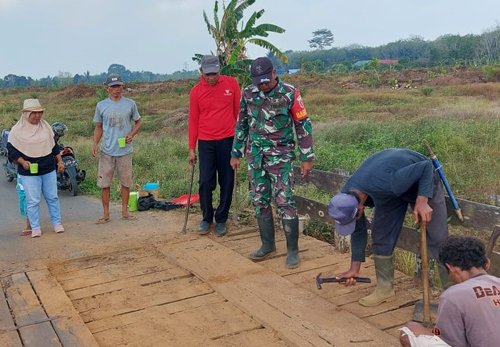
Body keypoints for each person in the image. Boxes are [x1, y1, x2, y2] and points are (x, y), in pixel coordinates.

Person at [327, 148, 449, 306]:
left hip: (422, 179)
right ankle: (385, 288)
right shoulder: (346, 198)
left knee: (439, 239)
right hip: (390, 190)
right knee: (381, 236)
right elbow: (358, 228)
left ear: (361, 209)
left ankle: (452, 294)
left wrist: (422, 200)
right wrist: (354, 269)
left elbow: (426, 166)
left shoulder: (389, 182)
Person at [230, 57, 314, 269]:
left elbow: (302, 125)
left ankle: (292, 251)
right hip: (256, 157)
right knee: (259, 199)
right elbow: (242, 124)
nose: (263, 85)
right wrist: (236, 153)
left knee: (285, 201)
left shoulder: (289, 92)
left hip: (281, 157)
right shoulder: (248, 93)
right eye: (259, 82)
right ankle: (267, 245)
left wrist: (306, 157)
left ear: (275, 73)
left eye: (266, 81)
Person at [400, 236, 500, 347]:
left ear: (450, 267)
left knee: (409, 329)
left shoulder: (453, 296)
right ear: (487, 263)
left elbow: (449, 343)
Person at [188, 55, 241, 236]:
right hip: (206, 142)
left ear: (220, 70)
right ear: (201, 71)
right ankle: (206, 217)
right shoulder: (195, 92)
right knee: (205, 181)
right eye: (208, 74)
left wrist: (239, 146)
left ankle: (221, 219)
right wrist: (191, 148)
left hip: (228, 140)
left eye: (215, 73)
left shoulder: (232, 84)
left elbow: (239, 115)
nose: (212, 77)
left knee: (227, 181)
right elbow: (193, 120)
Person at [7, 99, 65, 238]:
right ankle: (35, 227)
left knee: (52, 197)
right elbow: (12, 151)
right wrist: (22, 162)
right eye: (34, 113)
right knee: (32, 200)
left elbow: (54, 147)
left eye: (40, 113)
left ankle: (57, 223)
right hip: (28, 171)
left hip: (48, 168)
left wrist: (60, 162)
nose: (38, 116)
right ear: (26, 114)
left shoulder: (46, 127)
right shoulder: (16, 131)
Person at [92, 73, 142, 224]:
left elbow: (138, 122)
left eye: (119, 86)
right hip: (107, 150)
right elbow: (98, 127)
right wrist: (94, 144)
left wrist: (131, 134)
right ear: (107, 88)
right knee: (105, 184)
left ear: (123, 86)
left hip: (125, 151)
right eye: (113, 86)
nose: (116, 89)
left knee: (126, 182)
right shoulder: (101, 105)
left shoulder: (130, 104)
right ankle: (106, 214)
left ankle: (125, 212)